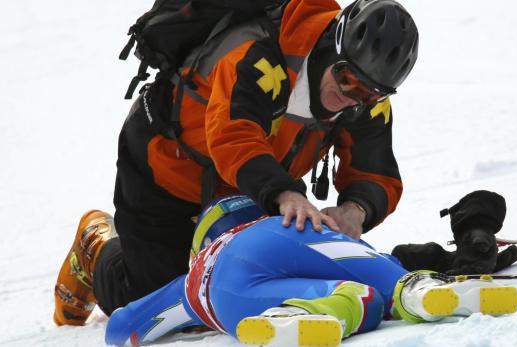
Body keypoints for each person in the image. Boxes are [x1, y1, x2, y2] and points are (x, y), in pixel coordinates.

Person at [53, 0, 419, 326]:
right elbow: (233, 137)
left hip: (252, 187)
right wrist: (286, 194)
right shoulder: (260, 58)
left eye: (371, 92)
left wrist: (356, 209)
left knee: (239, 281)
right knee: (153, 298)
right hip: (166, 172)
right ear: (330, 47)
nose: (351, 96)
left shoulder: (365, 100)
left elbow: (376, 171)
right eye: (348, 78)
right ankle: (97, 246)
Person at [104, 195, 517, 346]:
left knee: (352, 298)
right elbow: (357, 254)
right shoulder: (282, 219)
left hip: (221, 293)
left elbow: (123, 327)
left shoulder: (195, 276)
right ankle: (417, 291)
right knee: (374, 282)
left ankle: (293, 315)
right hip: (290, 235)